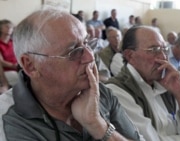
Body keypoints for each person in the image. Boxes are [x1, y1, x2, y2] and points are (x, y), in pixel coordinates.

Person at [2, 6, 143, 141]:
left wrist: (99, 126)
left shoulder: (101, 93)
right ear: (31, 66)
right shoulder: (9, 118)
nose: (90, 57)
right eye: (73, 51)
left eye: (87, 44)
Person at [106, 26, 180, 141]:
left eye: (164, 50)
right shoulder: (116, 91)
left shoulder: (167, 84)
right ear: (130, 56)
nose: (163, 57)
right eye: (154, 50)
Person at [0, 19, 18, 86]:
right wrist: (15, 66)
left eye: (11, 27)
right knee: (15, 76)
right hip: (6, 70)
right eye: (7, 26)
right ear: (0, 29)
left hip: (18, 67)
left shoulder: (13, 42)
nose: (10, 28)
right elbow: (1, 62)